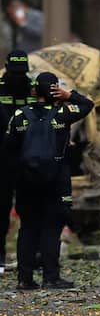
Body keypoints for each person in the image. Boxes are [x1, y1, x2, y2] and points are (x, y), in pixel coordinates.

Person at [6, 72, 93, 289]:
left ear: (35, 91)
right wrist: (68, 95)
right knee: (52, 226)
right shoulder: (62, 113)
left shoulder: (19, 115)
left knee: (27, 227)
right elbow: (87, 104)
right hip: (56, 178)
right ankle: (51, 277)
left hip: (26, 179)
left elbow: (10, 148)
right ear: (54, 90)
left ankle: (24, 279)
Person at [0, 50, 35, 273]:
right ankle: (0, 255)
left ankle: (31, 257)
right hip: (3, 156)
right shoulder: (0, 86)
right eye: (15, 73)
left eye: (21, 74)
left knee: (30, 209)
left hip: (28, 155)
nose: (18, 78)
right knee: (2, 208)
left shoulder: (30, 86)